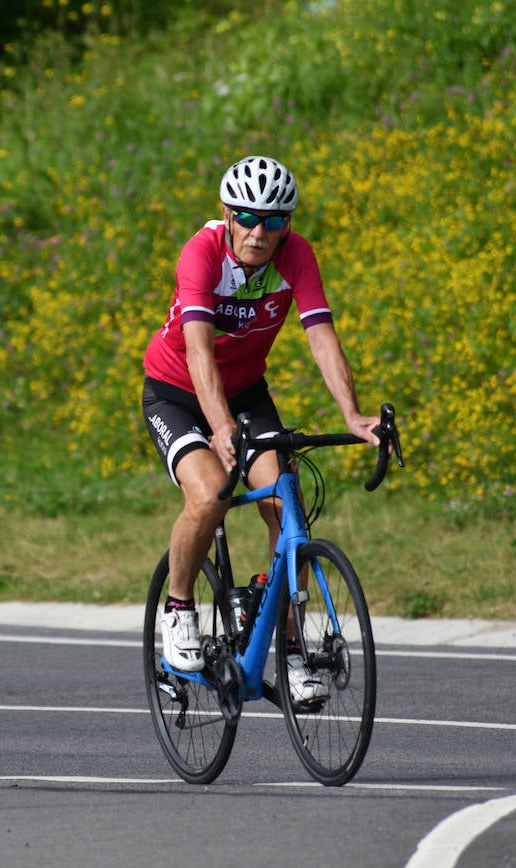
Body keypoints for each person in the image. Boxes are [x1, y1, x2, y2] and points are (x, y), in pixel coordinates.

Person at [141, 155, 381, 703]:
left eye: (273, 221)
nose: (258, 232)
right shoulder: (202, 253)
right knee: (210, 494)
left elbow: (321, 335)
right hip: (176, 393)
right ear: (228, 214)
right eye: (248, 217)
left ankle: (292, 650)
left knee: (284, 501)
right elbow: (199, 352)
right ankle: (178, 609)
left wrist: (351, 413)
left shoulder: (296, 255)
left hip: (246, 393)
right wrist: (220, 426)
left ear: (287, 224)